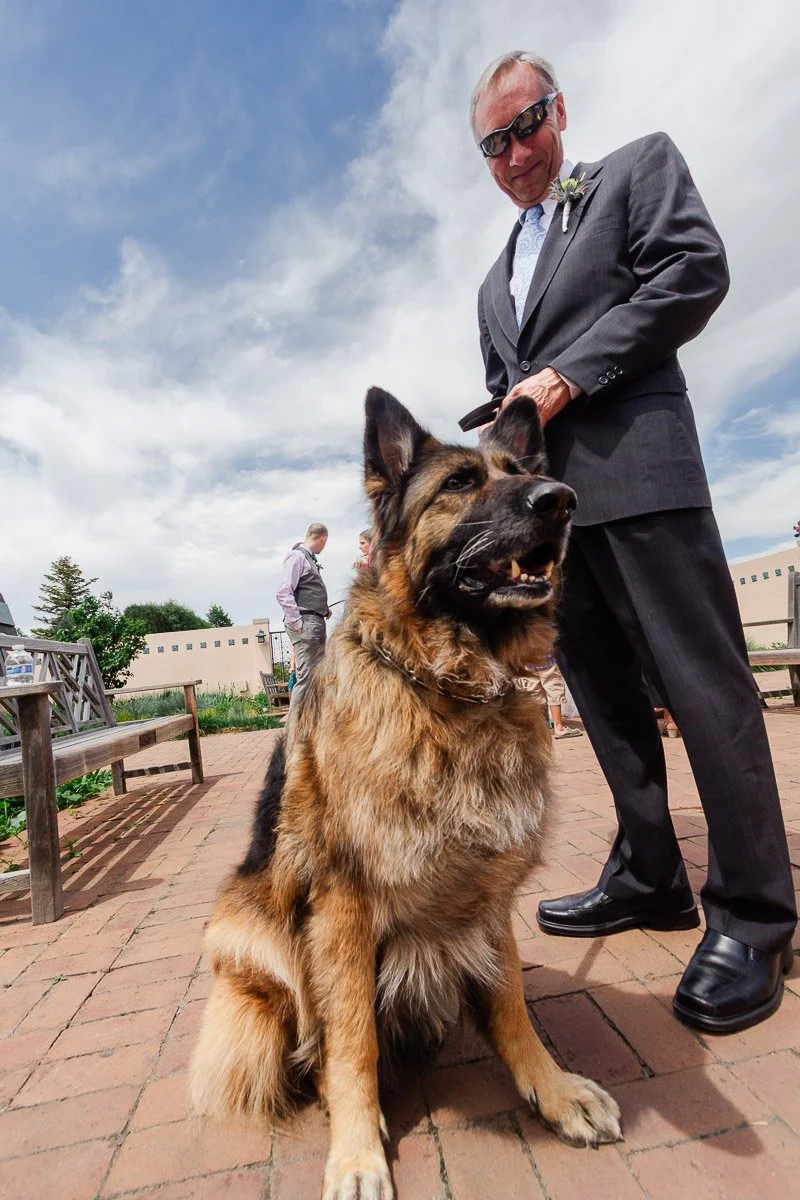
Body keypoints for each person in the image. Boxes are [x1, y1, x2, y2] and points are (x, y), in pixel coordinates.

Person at [467, 50, 796, 1033]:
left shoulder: (630, 172)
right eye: (492, 143)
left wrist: (566, 376)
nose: (513, 152)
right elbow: (510, 387)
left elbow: (695, 271)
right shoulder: (490, 281)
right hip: (547, 521)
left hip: (641, 475)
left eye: (524, 126)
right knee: (607, 702)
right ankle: (649, 869)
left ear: (555, 112)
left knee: (702, 690)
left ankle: (754, 914)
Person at [275, 522, 330, 708]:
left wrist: (323, 609)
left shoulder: (308, 558)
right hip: (306, 624)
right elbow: (283, 592)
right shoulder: (297, 556)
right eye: (326, 542)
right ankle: (295, 727)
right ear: (323, 538)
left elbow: (306, 591)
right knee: (306, 676)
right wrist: (299, 624)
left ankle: (311, 724)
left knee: (316, 675)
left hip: (314, 619)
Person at [517, 655, 583, 738]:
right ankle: (559, 728)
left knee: (534, 693)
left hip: (526, 660)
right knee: (553, 688)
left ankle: (540, 730)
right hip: (546, 658)